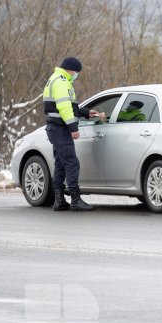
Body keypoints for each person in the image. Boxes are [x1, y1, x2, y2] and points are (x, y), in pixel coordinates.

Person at [42, 57, 101, 211]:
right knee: (71, 162)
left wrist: (87, 112)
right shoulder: (61, 81)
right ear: (70, 70)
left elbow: (70, 106)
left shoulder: (55, 79)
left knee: (61, 163)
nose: (76, 75)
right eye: (76, 72)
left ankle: (59, 200)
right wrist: (73, 128)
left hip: (56, 127)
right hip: (60, 128)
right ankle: (75, 200)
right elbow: (64, 107)